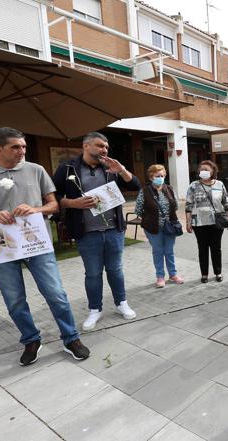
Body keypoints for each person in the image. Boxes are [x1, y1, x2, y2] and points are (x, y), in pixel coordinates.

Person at [0, 127, 89, 365]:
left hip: (35, 239)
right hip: (1, 243)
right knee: (14, 299)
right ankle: (31, 340)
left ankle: (70, 337)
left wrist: (36, 209)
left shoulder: (36, 170)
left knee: (55, 293)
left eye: (23, 146)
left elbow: (53, 205)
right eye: (15, 147)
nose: (22, 151)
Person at [53, 132, 140, 331]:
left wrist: (122, 170)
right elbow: (51, 196)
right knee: (92, 273)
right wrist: (72, 203)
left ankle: (121, 303)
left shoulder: (110, 168)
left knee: (115, 270)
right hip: (87, 232)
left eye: (106, 147)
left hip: (113, 230)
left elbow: (135, 186)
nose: (104, 150)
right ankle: (95, 309)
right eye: (100, 146)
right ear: (86, 146)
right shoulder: (67, 168)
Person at [134, 164, 184, 288]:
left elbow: (176, 206)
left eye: (162, 176)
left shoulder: (170, 189)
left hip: (170, 226)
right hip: (152, 227)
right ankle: (160, 277)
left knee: (169, 251)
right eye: (157, 176)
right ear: (151, 177)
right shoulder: (145, 191)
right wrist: (149, 218)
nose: (160, 178)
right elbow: (138, 209)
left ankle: (173, 274)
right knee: (158, 251)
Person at [185, 160, 228, 283]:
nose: (203, 171)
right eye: (201, 169)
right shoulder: (193, 185)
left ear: (213, 171)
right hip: (199, 223)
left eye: (207, 169)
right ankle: (204, 274)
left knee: (216, 248)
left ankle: (218, 272)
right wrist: (188, 222)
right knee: (203, 248)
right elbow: (188, 205)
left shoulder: (219, 184)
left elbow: (225, 203)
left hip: (217, 222)